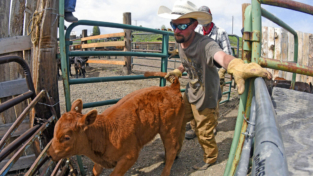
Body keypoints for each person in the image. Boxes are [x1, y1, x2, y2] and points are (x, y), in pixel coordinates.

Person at [158, 0, 271, 170]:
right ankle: (173, 152)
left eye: (181, 26)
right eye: (173, 25)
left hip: (207, 95)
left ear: (194, 24)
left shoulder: (205, 44)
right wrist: (178, 70)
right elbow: (188, 63)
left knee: (204, 132)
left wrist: (234, 65)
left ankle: (210, 158)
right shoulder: (181, 41)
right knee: (177, 122)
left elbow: (220, 55)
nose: (176, 30)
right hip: (191, 91)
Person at [185, 5, 233, 140]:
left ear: (210, 17)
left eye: (204, 16)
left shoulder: (220, 32)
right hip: (200, 71)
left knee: (213, 101)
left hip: (215, 72)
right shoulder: (198, 31)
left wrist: (222, 71)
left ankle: (211, 126)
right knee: (195, 97)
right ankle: (195, 126)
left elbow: (227, 53)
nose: (202, 20)